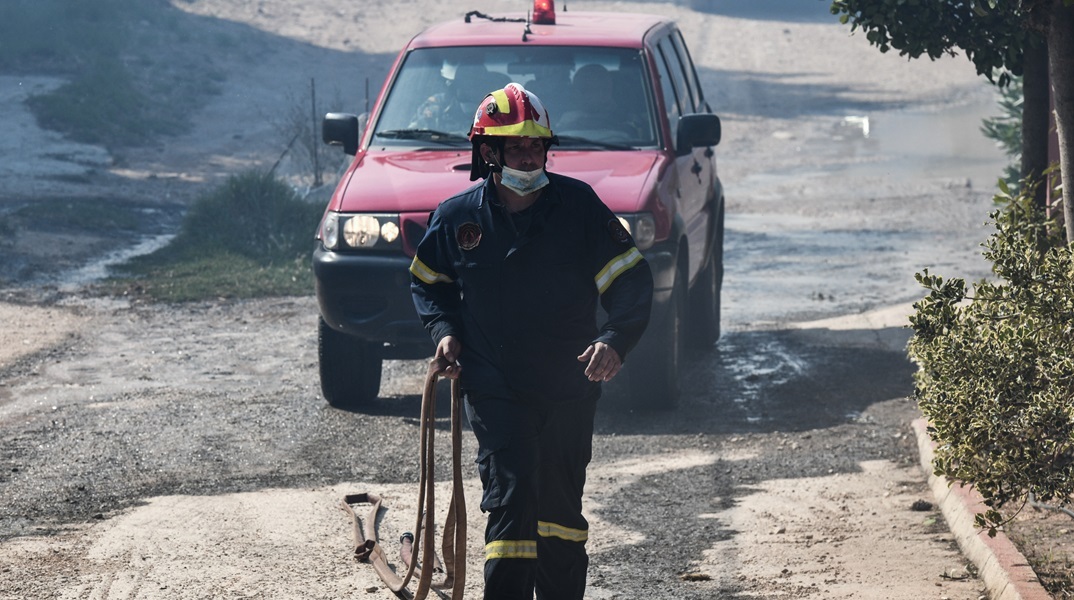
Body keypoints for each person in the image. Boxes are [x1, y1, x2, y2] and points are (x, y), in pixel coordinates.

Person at [409, 82, 653, 599]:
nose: (528, 155)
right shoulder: (458, 219)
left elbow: (630, 279)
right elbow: (429, 283)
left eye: (536, 146)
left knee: (560, 513)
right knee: (513, 501)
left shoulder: (579, 208)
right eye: (517, 146)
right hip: (495, 388)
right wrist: (445, 332)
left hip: (570, 385)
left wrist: (615, 339)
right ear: (489, 153)